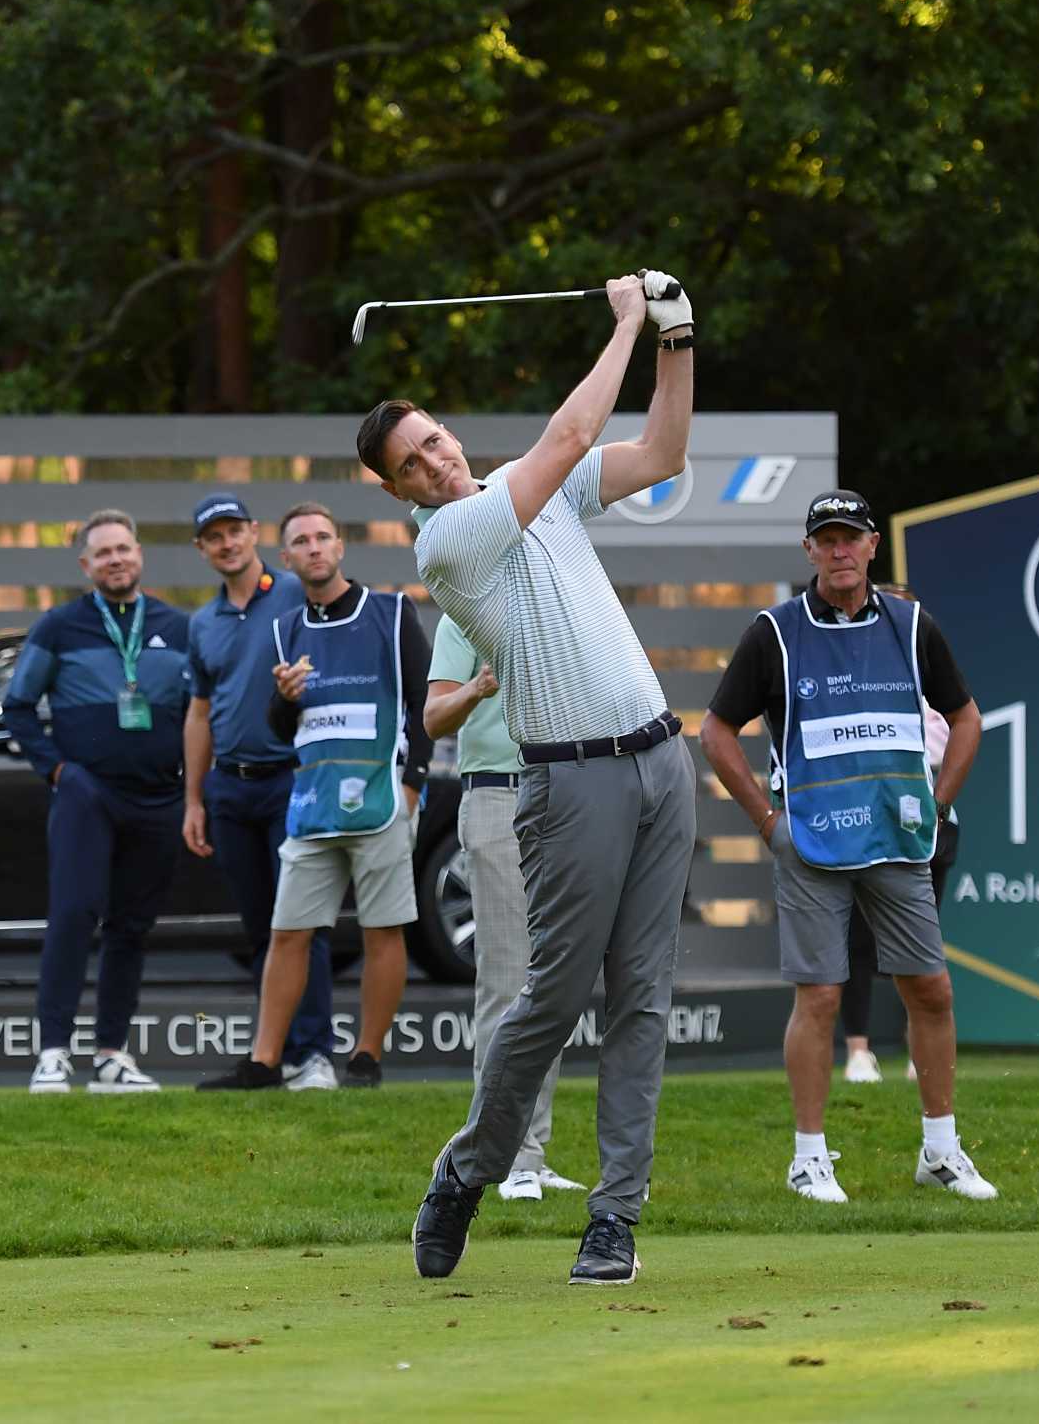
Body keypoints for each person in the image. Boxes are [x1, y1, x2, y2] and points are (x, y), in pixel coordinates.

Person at [374, 268, 697, 1287]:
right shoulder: (450, 538)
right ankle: (467, 1169)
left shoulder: (541, 494)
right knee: (551, 1002)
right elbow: (563, 442)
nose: (434, 457)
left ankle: (614, 1217)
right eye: (411, 459)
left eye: (434, 437)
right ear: (397, 490)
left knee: (642, 999)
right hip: (568, 786)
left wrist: (677, 342)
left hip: (661, 760)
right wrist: (627, 324)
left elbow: (662, 451)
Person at [697, 490, 997, 1203]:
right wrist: (770, 824)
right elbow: (716, 731)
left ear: (870, 548)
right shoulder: (773, 632)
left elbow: (966, 718)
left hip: (898, 841)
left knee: (932, 989)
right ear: (809, 550)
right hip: (812, 844)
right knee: (822, 996)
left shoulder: (911, 623)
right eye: (825, 539)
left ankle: (941, 1150)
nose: (838, 550)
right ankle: (808, 1159)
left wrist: (938, 805)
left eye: (850, 538)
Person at [197, 503, 434, 1091]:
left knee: (383, 929)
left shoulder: (392, 611)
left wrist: (412, 783)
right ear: (286, 557)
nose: (314, 548)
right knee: (287, 933)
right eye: (301, 541)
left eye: (323, 537)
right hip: (310, 804)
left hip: (381, 798)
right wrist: (283, 698)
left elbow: (424, 704)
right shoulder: (286, 628)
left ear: (340, 545)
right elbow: (284, 729)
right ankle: (264, 1061)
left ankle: (366, 1058)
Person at [4, 509, 190, 1094]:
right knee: (73, 916)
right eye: (103, 552)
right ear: (86, 565)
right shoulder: (58, 627)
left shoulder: (177, 627)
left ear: (140, 556)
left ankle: (111, 1056)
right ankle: (53, 1054)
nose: (115, 560)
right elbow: (18, 707)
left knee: (131, 927)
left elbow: (200, 713)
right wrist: (60, 771)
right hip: (88, 796)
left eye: (124, 549)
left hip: (159, 798)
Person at [180, 491, 340, 1091]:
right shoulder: (203, 622)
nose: (226, 543)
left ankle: (314, 1055)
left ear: (253, 535)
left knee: (301, 923)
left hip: (294, 780)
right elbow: (199, 713)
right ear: (203, 549)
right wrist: (194, 798)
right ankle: (272, 1055)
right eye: (213, 537)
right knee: (258, 927)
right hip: (231, 789)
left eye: (234, 531)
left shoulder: (299, 593)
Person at [424, 611, 585, 1202]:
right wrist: (477, 688)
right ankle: (503, 1154)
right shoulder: (462, 614)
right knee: (506, 980)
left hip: (568, 791)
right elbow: (435, 716)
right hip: (496, 794)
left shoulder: (561, 605)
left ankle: (531, 1153)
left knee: (556, 983)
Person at [840, 581, 960, 1085]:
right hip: (861, 829)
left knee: (920, 945)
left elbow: (945, 742)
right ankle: (859, 1053)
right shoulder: (846, 683)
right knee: (859, 942)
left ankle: (919, 1052)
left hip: (928, 830)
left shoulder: (935, 687)